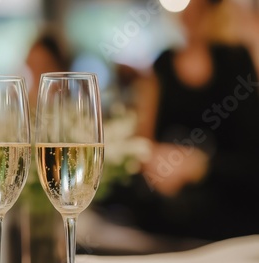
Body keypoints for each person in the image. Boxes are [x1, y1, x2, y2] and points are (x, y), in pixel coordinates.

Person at [98, 0, 259, 241]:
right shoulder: (164, 63)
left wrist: (198, 166)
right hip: (165, 214)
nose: (191, 16)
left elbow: (249, 156)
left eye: (200, 9)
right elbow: (144, 140)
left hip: (225, 210)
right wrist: (157, 162)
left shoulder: (236, 60)